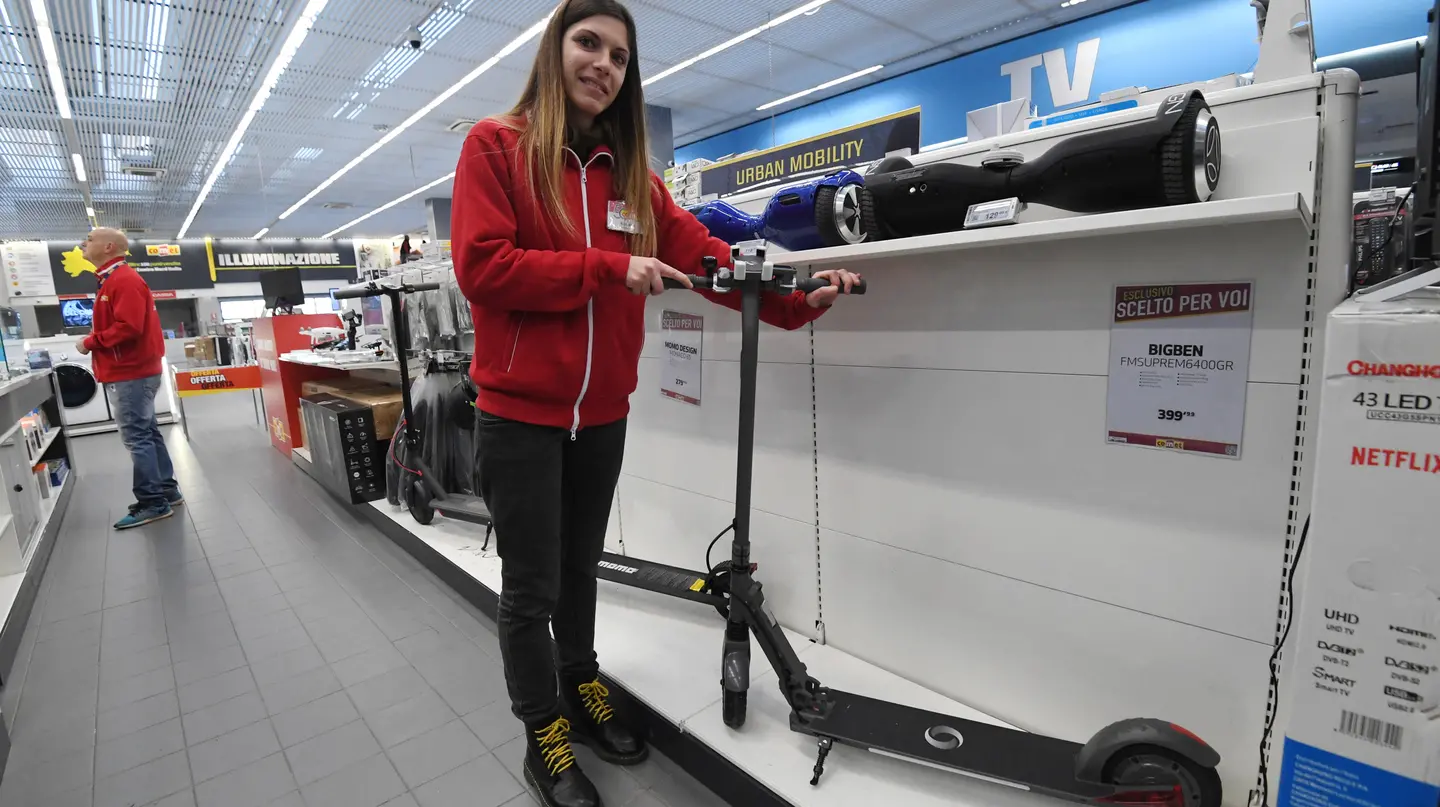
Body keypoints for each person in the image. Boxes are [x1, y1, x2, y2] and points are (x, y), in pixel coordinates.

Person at [450, 2, 860, 805]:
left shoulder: (631, 178)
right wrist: (604, 270)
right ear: (555, 49)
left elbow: (706, 259)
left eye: (620, 56)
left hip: (601, 414)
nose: (604, 64)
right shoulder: (495, 148)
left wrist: (793, 296)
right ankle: (544, 733)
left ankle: (581, 682)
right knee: (531, 588)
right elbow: (484, 267)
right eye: (589, 43)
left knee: (580, 570)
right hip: (521, 415)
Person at [76, 228, 182, 529]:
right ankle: (166, 490)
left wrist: (90, 342)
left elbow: (129, 327)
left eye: (91, 238)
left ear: (109, 247)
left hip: (131, 373)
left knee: (136, 437)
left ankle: (153, 502)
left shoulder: (122, 280)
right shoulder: (113, 280)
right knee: (147, 432)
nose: (84, 243)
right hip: (133, 371)